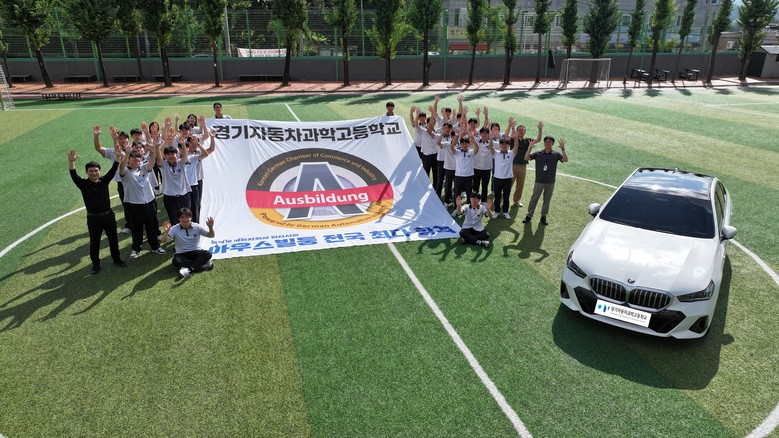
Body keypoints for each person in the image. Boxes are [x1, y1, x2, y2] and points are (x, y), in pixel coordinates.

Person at [68, 148, 127, 274]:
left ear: (99, 171)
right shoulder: (83, 184)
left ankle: (117, 259)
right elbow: (73, 175)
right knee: (94, 242)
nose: (94, 173)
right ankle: (95, 264)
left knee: (113, 239)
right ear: (86, 172)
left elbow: (113, 169)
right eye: (91, 171)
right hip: (93, 218)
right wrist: (71, 162)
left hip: (108, 216)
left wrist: (118, 157)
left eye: (96, 170)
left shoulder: (104, 181)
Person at [119, 136, 166, 259]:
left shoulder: (144, 167)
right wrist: (127, 153)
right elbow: (121, 167)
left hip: (149, 202)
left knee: (152, 226)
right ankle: (136, 249)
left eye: (138, 158)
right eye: (133, 158)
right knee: (137, 228)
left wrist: (153, 149)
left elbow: (152, 161)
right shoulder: (125, 172)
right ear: (128, 160)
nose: (136, 160)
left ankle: (155, 246)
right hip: (134, 204)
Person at [522, 136, 568, 225]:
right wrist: (530, 148)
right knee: (534, 199)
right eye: (546, 141)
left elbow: (565, 160)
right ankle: (529, 215)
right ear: (544, 143)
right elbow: (526, 158)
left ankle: (543, 216)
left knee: (547, 200)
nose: (547, 143)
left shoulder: (556, 154)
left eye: (550, 141)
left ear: (553, 144)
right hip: (539, 181)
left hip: (550, 182)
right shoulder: (538, 154)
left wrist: (563, 149)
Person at [161, 208, 215, 278]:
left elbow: (211, 235)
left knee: (208, 254)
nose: (185, 219)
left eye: (187, 217)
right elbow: (163, 241)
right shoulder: (174, 229)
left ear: (191, 218)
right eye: (182, 217)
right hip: (181, 254)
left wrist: (210, 228)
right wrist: (166, 232)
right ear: (179, 219)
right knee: (176, 261)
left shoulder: (197, 227)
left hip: (196, 251)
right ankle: (201, 265)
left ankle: (189, 269)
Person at [490, 118, 520, 219]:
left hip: (507, 179)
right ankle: (496, 212)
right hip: (497, 178)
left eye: (505, 144)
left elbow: (516, 147)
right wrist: (491, 139)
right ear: (500, 145)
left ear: (508, 146)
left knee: (506, 197)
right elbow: (491, 148)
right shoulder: (496, 153)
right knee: (497, 196)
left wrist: (516, 138)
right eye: (502, 144)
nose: (503, 145)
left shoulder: (511, 154)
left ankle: (506, 212)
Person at [512, 121, 543, 207]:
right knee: (508, 183)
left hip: (523, 165)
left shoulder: (527, 140)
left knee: (520, 184)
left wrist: (540, 130)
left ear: (525, 132)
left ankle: (516, 200)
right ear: (517, 131)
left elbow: (538, 139)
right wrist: (512, 127)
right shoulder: (513, 139)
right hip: (512, 165)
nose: (521, 131)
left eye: (523, 130)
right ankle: (503, 198)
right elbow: (506, 137)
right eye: (520, 130)